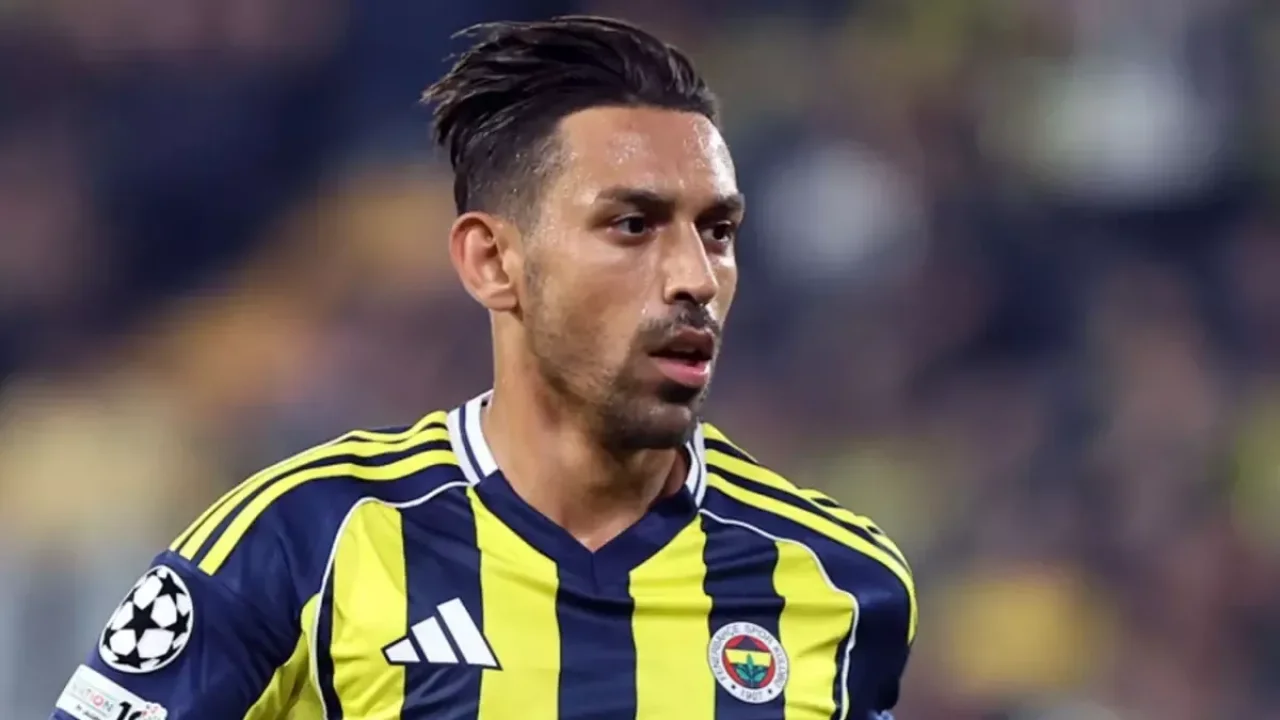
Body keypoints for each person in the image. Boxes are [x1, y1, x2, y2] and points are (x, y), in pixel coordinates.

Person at [50, 15, 916, 720]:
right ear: (493, 262)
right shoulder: (302, 544)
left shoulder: (839, 582)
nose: (696, 276)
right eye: (632, 225)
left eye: (717, 231)